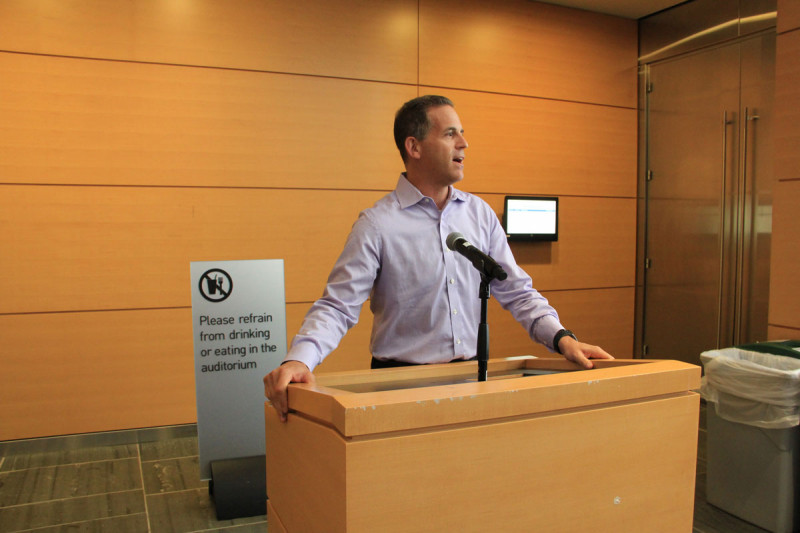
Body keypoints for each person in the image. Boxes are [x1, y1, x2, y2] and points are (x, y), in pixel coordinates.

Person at [265, 95, 613, 421]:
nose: (463, 143)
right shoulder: (377, 224)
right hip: (398, 386)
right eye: (450, 134)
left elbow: (517, 292)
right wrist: (299, 359)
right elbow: (338, 306)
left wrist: (563, 339)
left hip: (473, 378)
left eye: (462, 133)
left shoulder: (479, 214)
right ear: (413, 146)